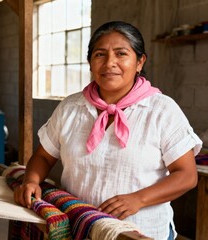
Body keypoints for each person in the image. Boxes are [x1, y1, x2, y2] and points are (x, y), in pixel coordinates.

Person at [14, 21, 202, 240]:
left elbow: (187, 175)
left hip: (140, 232)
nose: (109, 63)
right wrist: (31, 181)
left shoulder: (161, 110)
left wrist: (138, 199)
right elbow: (44, 157)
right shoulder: (71, 107)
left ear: (140, 62)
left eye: (121, 54)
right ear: (90, 63)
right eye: (100, 55)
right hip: (80, 228)